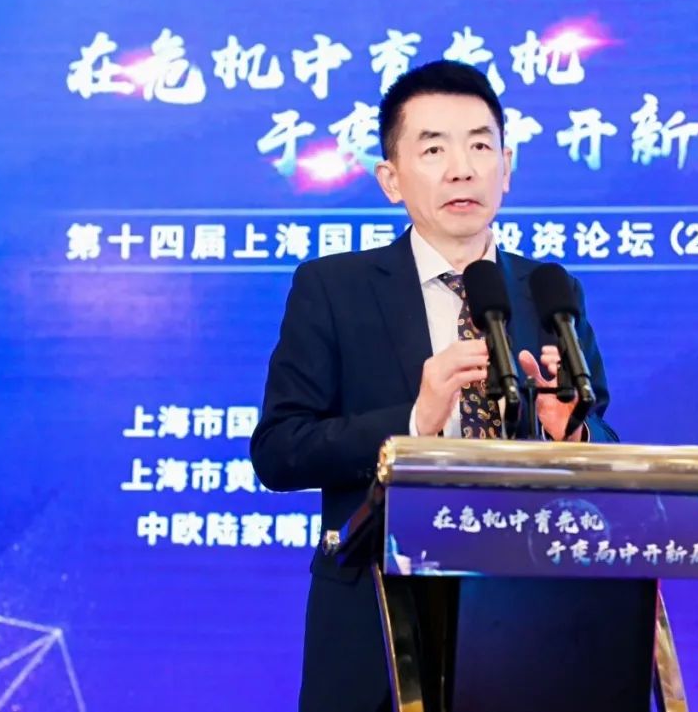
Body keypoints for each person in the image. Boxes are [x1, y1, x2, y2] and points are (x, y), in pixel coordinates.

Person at [250, 59, 618, 712]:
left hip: (529, 622)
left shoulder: (550, 292)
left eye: (480, 146)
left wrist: (574, 435)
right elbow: (279, 451)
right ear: (390, 179)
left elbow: (608, 449)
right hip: (377, 627)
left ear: (507, 167)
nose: (462, 169)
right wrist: (414, 423)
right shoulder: (333, 289)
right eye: (433, 149)